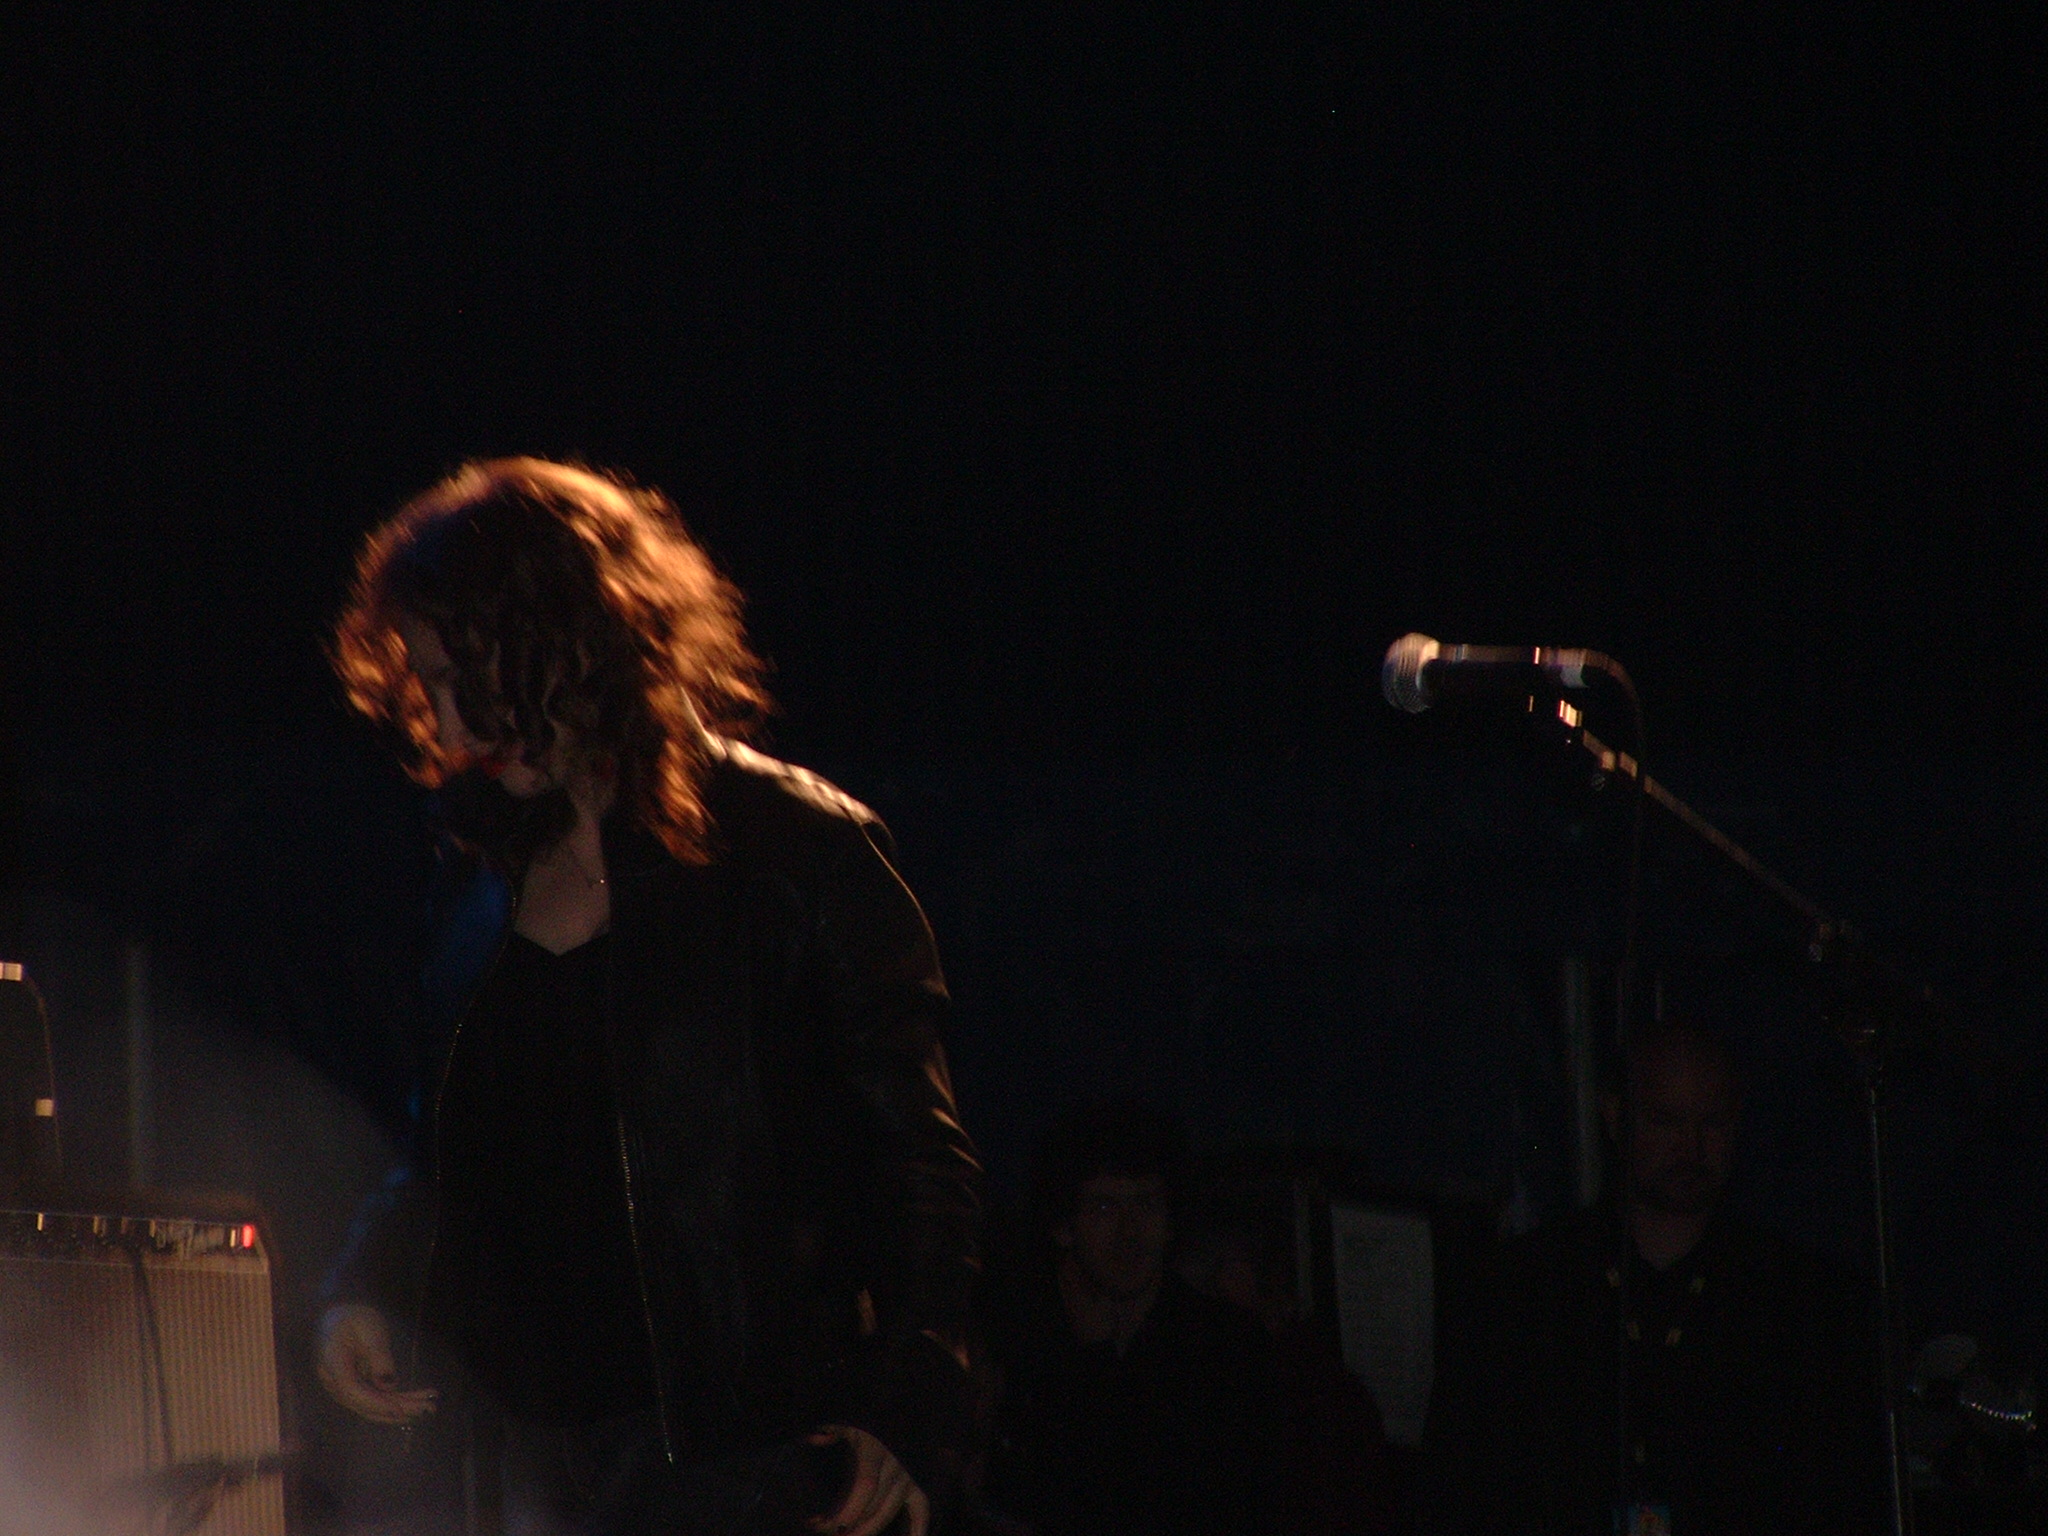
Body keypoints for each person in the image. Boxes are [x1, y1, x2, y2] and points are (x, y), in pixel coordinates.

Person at [315, 457, 982, 1536]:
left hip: (746, 1461)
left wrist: (908, 1408)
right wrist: (366, 1283)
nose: (445, 727)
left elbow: (922, 1166)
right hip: (521, 1462)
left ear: (566, 644)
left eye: (459, 680)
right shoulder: (475, 875)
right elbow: (449, 1138)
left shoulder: (797, 852)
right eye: (428, 689)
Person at [1424, 1018, 1883, 1535]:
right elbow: (1463, 1483)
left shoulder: (1798, 1302)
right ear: (1615, 1116)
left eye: (1712, 1124)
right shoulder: (1527, 1289)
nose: (1690, 1148)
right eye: (1666, 1121)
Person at [978, 1099, 1280, 1535]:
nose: (1129, 1232)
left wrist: (1097, 1366)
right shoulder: (1020, 1344)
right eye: (1104, 1209)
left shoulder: (1223, 1348)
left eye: (1147, 1205)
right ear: (1064, 1227)